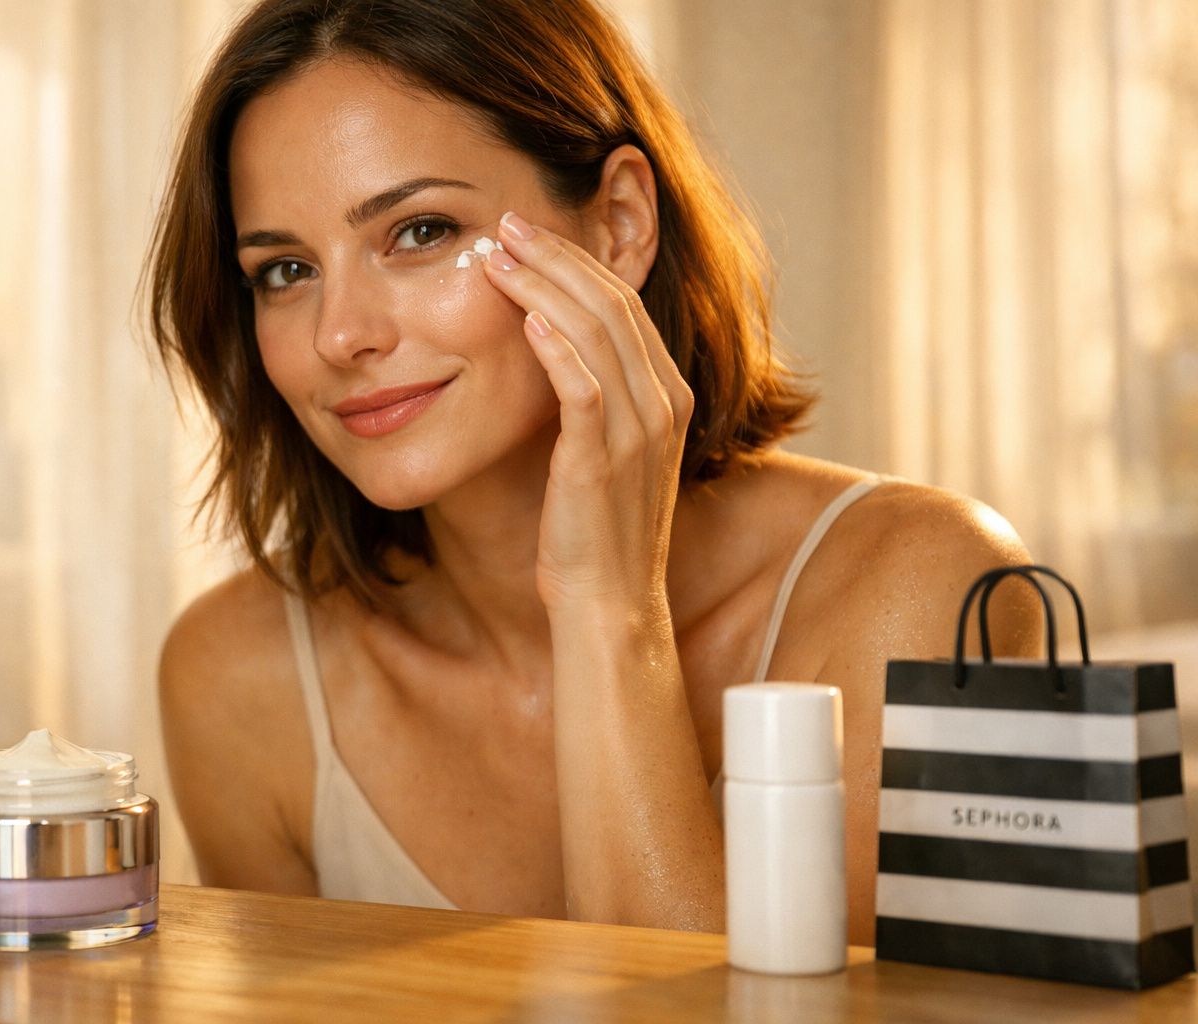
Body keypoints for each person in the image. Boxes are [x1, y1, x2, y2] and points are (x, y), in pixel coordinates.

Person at [147, 0, 1039, 942]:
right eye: (285, 271)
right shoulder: (240, 680)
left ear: (618, 223)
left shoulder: (923, 590)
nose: (340, 335)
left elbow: (693, 1010)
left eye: (421, 231)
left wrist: (608, 607)